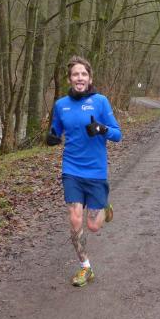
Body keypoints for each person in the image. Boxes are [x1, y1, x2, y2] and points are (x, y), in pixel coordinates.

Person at [46, 55, 122, 287]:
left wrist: (101, 129)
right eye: (75, 74)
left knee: (93, 226)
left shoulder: (100, 102)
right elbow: (55, 130)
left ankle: (105, 206)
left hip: (95, 170)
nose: (79, 78)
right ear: (69, 78)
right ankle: (85, 267)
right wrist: (51, 137)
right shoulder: (61, 105)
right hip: (71, 168)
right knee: (75, 218)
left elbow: (117, 135)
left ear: (90, 78)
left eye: (83, 74)